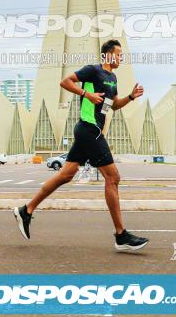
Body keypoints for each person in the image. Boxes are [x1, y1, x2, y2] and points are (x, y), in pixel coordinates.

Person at [13, 39, 148, 251]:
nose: (121, 58)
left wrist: (130, 97)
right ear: (108, 55)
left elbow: (113, 106)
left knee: (65, 175)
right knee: (113, 178)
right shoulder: (92, 70)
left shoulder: (112, 77)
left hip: (90, 131)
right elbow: (65, 82)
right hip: (89, 128)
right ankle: (121, 235)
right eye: (119, 54)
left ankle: (26, 210)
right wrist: (87, 94)